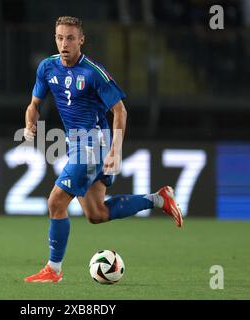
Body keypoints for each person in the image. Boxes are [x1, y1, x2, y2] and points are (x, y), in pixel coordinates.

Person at [23, 16, 183, 283]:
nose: (65, 43)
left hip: (94, 143)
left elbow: (120, 111)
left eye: (71, 38)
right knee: (97, 214)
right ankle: (159, 199)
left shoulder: (94, 73)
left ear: (81, 40)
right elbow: (33, 103)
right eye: (60, 37)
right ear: (55, 38)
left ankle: (53, 269)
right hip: (76, 143)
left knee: (55, 202)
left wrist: (115, 151)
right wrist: (29, 123)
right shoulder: (47, 68)